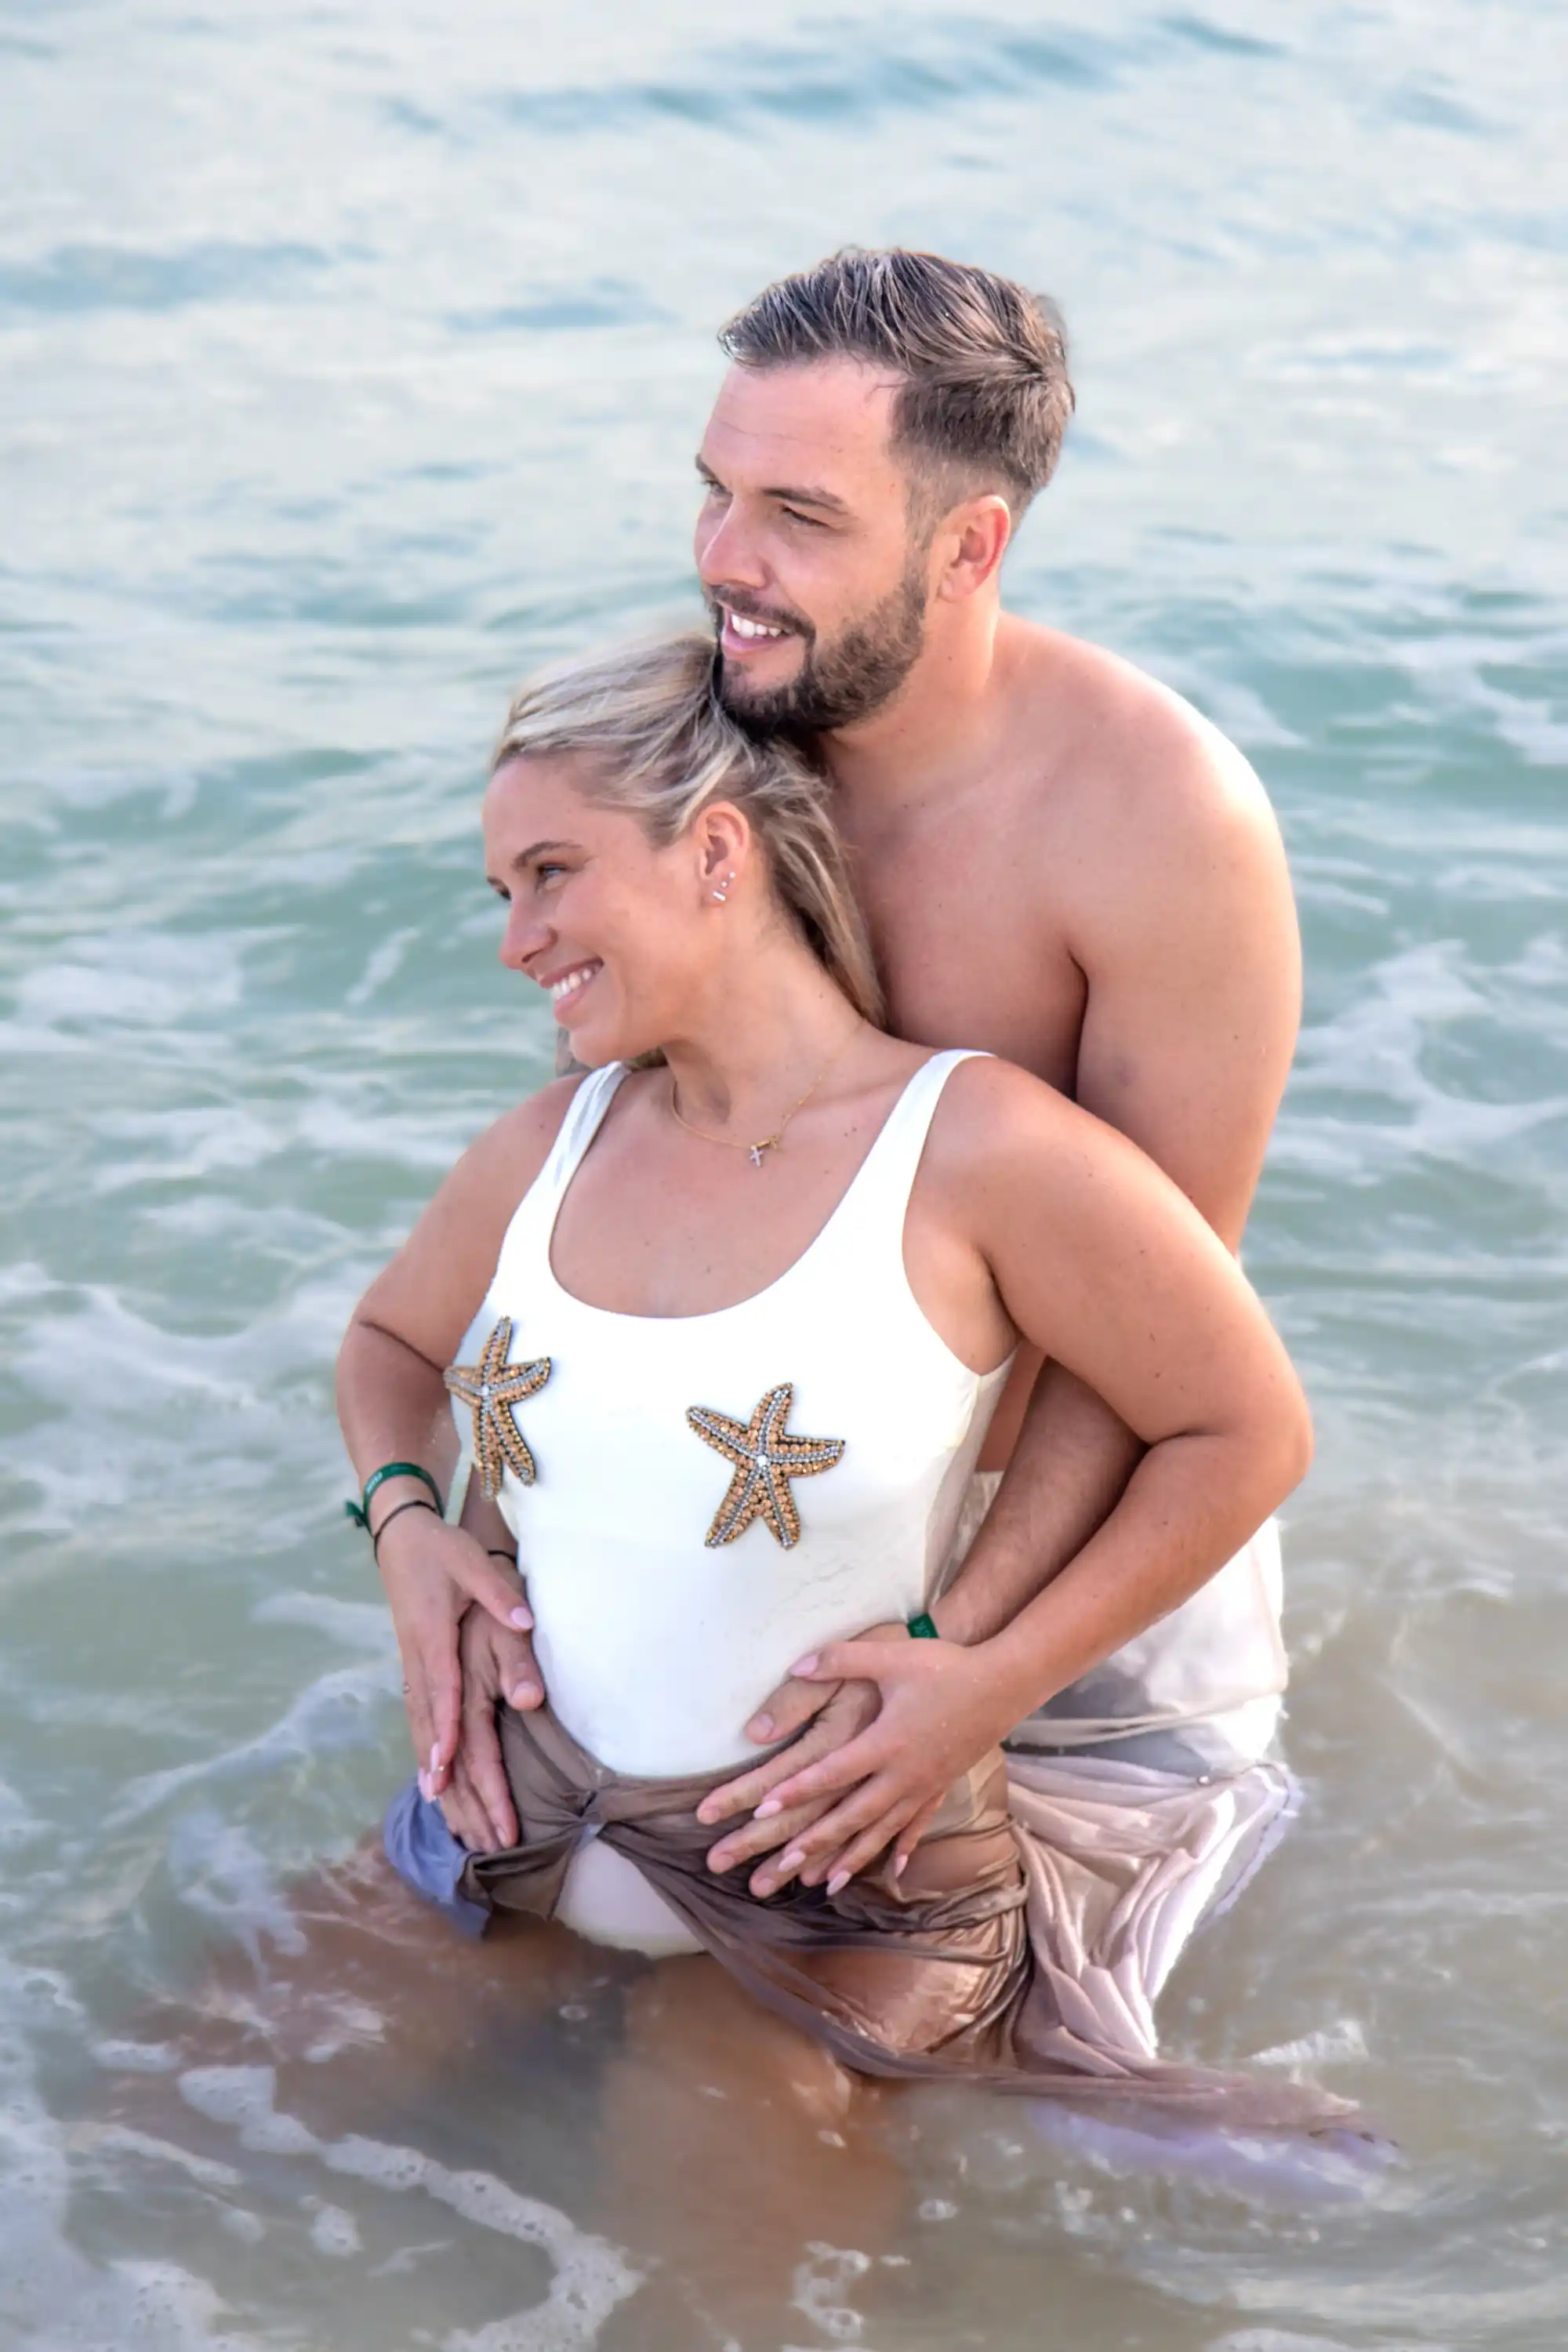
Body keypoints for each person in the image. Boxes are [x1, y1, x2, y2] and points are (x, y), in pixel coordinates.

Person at [388, 247, 1306, 1940]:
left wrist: (968, 1657)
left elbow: (1158, 1349)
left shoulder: (1159, 823)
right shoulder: (711, 737)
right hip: (775, 1534)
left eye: (799, 516)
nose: (725, 564)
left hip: (1071, 1599)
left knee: (928, 2121)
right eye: (715, 493)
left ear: (967, 548)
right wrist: (447, 1526)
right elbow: (616, 1174)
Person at [340, 630, 1345, 2132]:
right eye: (505, 893)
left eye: (552, 875)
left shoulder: (974, 1148)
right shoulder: (551, 1141)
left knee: (694, 2202)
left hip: (842, 1906)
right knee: (173, 2137)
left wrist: (985, 1681)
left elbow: (1242, 1428)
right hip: (513, 1823)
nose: (516, 939)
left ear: (718, 850)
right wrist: (409, 1526)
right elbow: (388, 1348)